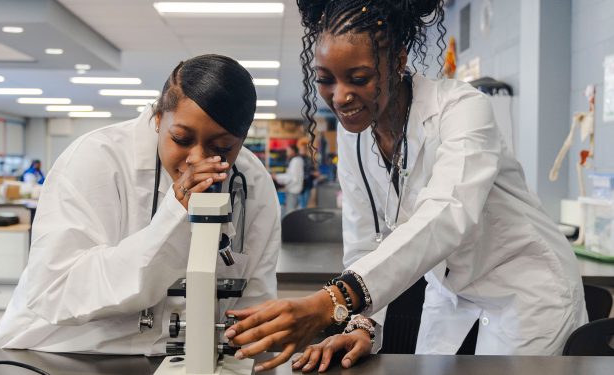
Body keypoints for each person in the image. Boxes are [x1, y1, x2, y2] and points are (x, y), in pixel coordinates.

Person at [224, 0, 588, 372]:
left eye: (359, 77)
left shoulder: (461, 109)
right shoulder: (356, 137)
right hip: (452, 296)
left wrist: (330, 301)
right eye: (325, 79)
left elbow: (446, 213)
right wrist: (363, 323)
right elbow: (366, 240)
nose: (340, 96)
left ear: (398, 61)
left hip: (526, 292)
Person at [0, 54, 281, 355]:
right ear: (157, 119)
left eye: (222, 148)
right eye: (180, 139)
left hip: (176, 357)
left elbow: (254, 301)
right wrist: (173, 215)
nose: (197, 159)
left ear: (242, 141)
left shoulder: (252, 182)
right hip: (61, 351)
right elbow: (55, 291)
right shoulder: (96, 160)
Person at [272, 144, 305, 216]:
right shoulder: (297, 160)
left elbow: (292, 178)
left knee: (290, 213)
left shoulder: (296, 161)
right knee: (292, 211)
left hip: (293, 191)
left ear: (293, 151)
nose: (287, 152)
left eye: (288, 151)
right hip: (294, 190)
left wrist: (277, 177)